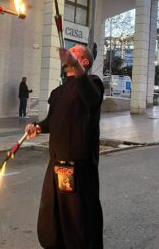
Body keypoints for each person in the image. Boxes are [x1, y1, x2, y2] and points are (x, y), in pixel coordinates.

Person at [25, 45, 104, 248]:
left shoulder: (92, 84)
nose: (69, 52)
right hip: (56, 164)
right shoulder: (58, 91)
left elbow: (90, 96)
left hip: (79, 166)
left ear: (84, 61)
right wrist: (38, 127)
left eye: (75, 52)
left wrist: (75, 65)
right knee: (53, 216)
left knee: (79, 220)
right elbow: (53, 121)